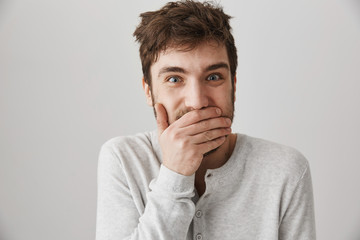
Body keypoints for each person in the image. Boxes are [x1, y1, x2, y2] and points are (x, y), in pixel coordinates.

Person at [96, 1, 316, 239]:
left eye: (213, 77)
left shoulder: (286, 170)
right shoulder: (123, 159)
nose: (197, 102)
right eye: (174, 79)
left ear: (234, 85)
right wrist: (175, 174)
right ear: (148, 91)